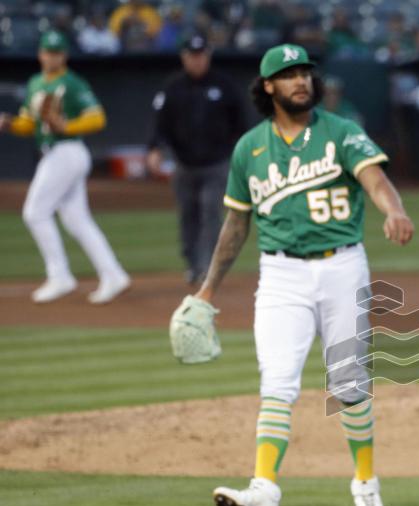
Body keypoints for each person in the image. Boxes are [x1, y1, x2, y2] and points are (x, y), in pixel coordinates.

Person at [188, 44, 414, 506]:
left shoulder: (341, 132)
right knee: (277, 381)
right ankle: (264, 492)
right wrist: (208, 288)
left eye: (305, 72)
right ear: (268, 86)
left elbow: (374, 180)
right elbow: (236, 224)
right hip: (280, 276)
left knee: (349, 383)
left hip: (343, 267)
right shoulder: (250, 149)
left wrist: (393, 209)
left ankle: (366, 484)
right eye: (289, 74)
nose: (300, 81)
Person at [0, 31, 130, 304]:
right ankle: (113, 274)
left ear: (65, 55)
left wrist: (68, 126)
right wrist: (9, 123)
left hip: (67, 150)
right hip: (53, 152)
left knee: (35, 213)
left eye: (57, 52)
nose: (52, 57)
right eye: (48, 52)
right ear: (40, 54)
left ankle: (59, 276)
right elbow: (29, 124)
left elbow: (97, 117)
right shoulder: (35, 83)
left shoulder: (72, 83)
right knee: (77, 219)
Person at [147, 33, 248, 284]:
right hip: (184, 164)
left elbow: (240, 123)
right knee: (188, 215)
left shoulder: (224, 85)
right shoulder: (173, 87)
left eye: (201, 55)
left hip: (217, 163)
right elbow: (161, 123)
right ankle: (192, 264)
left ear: (208, 56)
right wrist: (155, 148)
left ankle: (207, 267)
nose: (197, 60)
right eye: (192, 56)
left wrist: (242, 153)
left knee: (210, 211)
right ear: (184, 57)